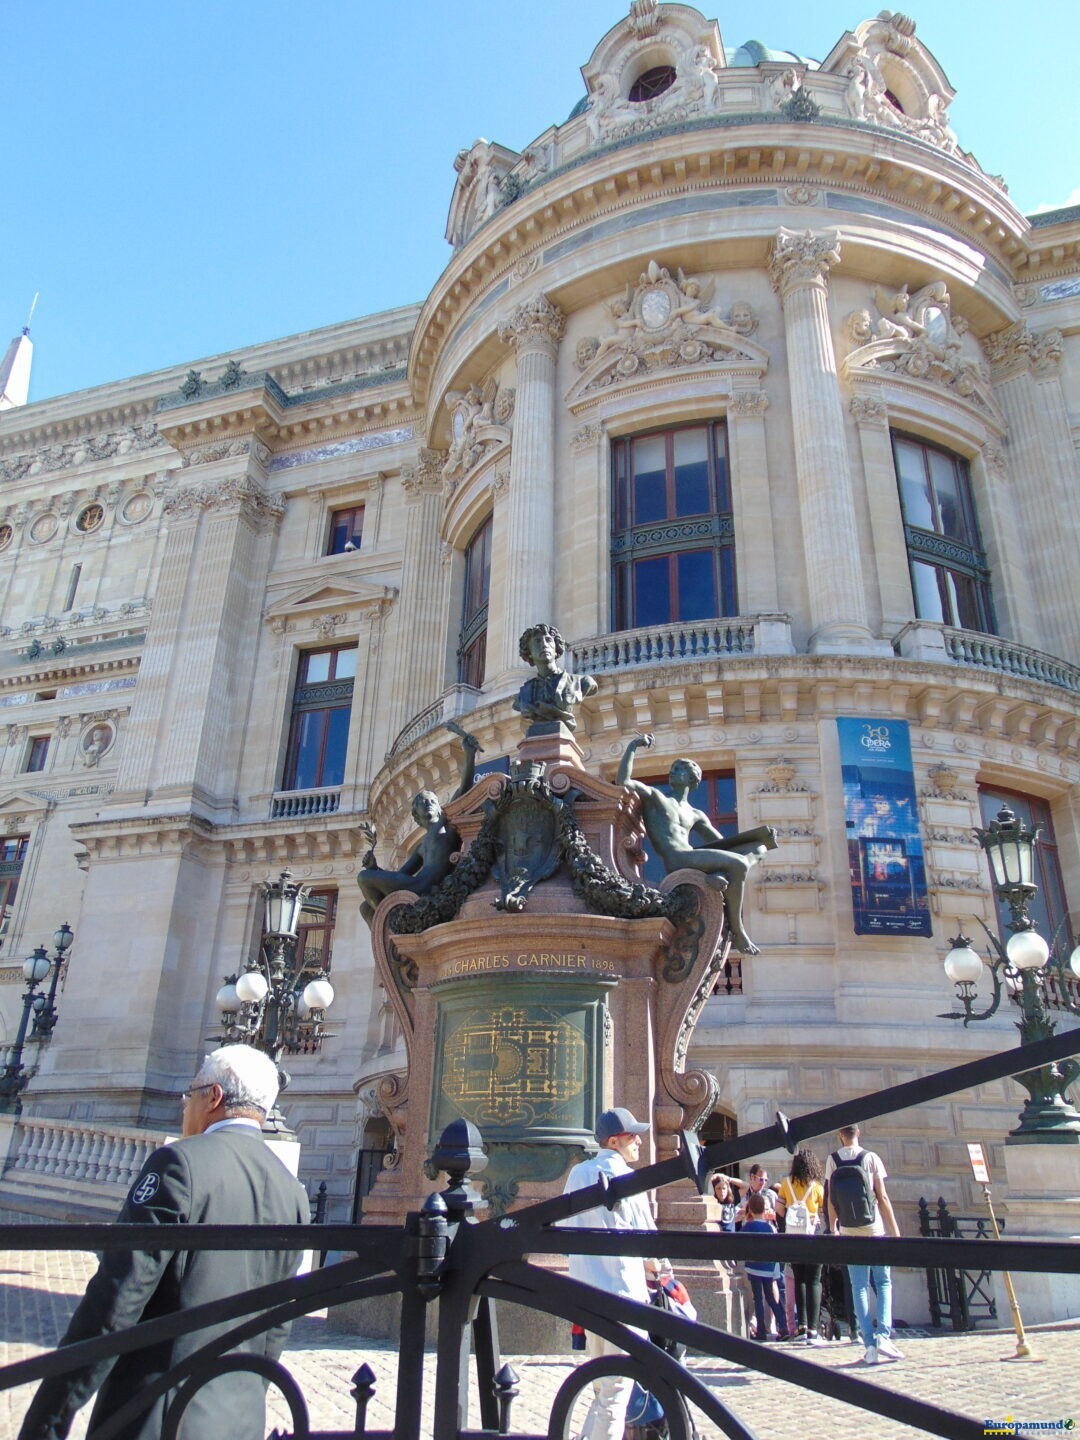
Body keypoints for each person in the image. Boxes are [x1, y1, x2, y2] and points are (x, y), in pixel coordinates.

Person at [19, 1046, 310, 1440]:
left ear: (214, 1098)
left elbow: (116, 1300)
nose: (185, 1105)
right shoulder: (291, 1190)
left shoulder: (178, 1165)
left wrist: (49, 1420)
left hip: (157, 1414)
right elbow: (276, 1325)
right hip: (238, 1420)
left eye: (190, 1094)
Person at [616, 734, 777, 954]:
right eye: (673, 768)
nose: (672, 772)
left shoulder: (696, 814)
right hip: (677, 858)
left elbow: (721, 843)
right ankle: (738, 930)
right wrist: (633, 747)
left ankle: (718, 877)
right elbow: (623, 781)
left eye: (679, 769)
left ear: (692, 780)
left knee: (758, 848)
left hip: (693, 856)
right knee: (738, 864)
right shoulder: (657, 797)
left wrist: (757, 840)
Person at [561, 1107, 660, 1440]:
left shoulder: (577, 1175)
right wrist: (658, 1270)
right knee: (616, 1392)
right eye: (634, 1136)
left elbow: (563, 1226)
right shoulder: (629, 1179)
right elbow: (647, 1241)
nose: (640, 1143)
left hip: (586, 1296)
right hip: (623, 1296)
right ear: (615, 1141)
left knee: (603, 1386)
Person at [357, 724, 480, 924]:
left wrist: (469, 754)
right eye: (423, 802)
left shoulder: (447, 826)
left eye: (432, 801)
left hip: (427, 887)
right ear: (417, 815)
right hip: (414, 884)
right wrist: (376, 869)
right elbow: (401, 874)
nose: (429, 803)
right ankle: (388, 933)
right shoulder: (422, 846)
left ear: (439, 808)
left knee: (364, 878)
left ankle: (391, 923)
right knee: (365, 906)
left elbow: (464, 788)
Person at [825, 1123, 902, 1366]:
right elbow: (883, 1198)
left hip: (848, 1229)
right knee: (883, 1280)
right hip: (874, 1228)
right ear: (858, 1133)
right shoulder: (871, 1158)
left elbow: (830, 1200)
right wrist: (895, 1231)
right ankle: (883, 1336)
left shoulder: (832, 1159)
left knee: (858, 1286)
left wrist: (833, 1228)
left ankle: (869, 1344)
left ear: (840, 1135)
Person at [775, 1149, 828, 1346]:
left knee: (799, 1281)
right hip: (812, 1237)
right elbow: (825, 1210)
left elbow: (779, 1209)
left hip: (793, 1237)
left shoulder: (786, 1184)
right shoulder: (816, 1187)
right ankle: (814, 1331)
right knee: (813, 1281)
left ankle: (802, 1327)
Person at [513, 623, 597, 732]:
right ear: (529, 653)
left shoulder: (581, 682)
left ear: (556, 649)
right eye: (537, 641)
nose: (544, 645)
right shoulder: (523, 696)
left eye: (548, 640)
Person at [741, 1193, 790, 1342]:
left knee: (758, 1298)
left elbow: (739, 1242)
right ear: (764, 1209)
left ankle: (761, 1330)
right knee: (770, 1297)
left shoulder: (748, 1226)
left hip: (754, 1267)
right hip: (767, 1268)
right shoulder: (770, 1227)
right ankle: (783, 1326)